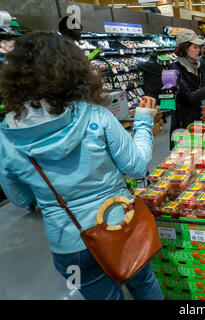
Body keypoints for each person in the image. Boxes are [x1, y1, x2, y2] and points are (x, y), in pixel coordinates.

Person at [0, 31, 162, 300]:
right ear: (74, 69)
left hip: (69, 242)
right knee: (143, 284)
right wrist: (144, 121)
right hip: (118, 223)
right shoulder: (94, 115)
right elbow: (136, 166)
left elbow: (19, 198)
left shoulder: (6, 135)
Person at [169, 29, 205, 146]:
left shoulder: (196, 64)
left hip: (197, 117)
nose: (199, 50)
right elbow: (187, 97)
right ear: (184, 48)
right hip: (183, 122)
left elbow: (203, 85)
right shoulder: (174, 69)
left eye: (198, 47)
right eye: (195, 47)